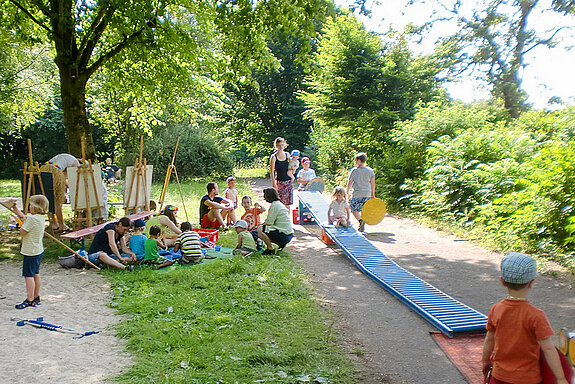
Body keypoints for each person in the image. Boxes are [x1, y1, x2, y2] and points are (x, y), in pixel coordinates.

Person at [482, 252, 569, 384]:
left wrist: (485, 360)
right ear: (531, 282)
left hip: (499, 376)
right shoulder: (536, 315)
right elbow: (548, 349)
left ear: (502, 282)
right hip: (528, 379)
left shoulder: (496, 309)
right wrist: (561, 378)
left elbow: (489, 339)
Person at [6, 195, 49, 309]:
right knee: (35, 274)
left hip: (30, 251)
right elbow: (25, 217)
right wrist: (15, 210)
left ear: (35, 207)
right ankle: (36, 297)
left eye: (31, 205)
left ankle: (29, 299)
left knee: (28, 276)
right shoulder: (39, 217)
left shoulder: (31, 219)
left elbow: (22, 231)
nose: (29, 207)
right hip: (38, 250)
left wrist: (19, 223)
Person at [40, 153, 81, 232]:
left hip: (44, 171)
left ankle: (54, 223)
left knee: (49, 198)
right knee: (58, 201)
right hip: (55, 172)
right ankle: (61, 224)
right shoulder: (76, 164)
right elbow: (67, 176)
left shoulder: (65, 158)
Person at [257, 188, 293, 254]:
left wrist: (260, 225)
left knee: (259, 230)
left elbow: (269, 222)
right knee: (265, 229)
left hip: (283, 234)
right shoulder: (279, 204)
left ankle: (270, 248)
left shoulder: (274, 205)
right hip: (289, 233)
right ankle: (280, 245)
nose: (264, 198)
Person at [346, 152, 375, 232]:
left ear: (359, 160)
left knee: (353, 209)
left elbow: (350, 182)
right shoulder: (370, 170)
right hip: (367, 193)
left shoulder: (354, 170)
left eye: (355, 160)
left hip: (357, 194)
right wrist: (373, 194)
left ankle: (360, 221)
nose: (355, 162)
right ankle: (362, 221)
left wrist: (347, 192)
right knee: (364, 209)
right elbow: (373, 183)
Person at [269, 137, 293, 207]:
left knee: (288, 204)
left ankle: (287, 217)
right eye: (279, 145)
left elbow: (292, 164)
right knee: (279, 203)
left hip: (288, 181)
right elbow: (272, 170)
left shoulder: (287, 154)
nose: (281, 147)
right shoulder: (274, 157)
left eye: (282, 145)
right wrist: (273, 182)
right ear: (276, 146)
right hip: (280, 181)